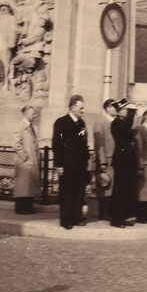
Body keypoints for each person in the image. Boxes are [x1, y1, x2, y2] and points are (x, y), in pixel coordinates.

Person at [52, 95, 90, 230]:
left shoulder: (82, 124)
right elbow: (57, 144)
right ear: (73, 107)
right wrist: (59, 165)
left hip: (80, 165)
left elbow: (84, 142)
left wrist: (86, 162)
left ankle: (76, 217)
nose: (83, 111)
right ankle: (66, 220)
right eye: (81, 108)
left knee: (79, 192)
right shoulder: (61, 122)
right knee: (67, 192)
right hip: (67, 165)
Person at [110, 98, 138, 228]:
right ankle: (116, 219)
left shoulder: (124, 123)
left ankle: (124, 216)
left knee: (127, 190)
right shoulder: (116, 123)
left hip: (128, 160)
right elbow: (127, 126)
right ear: (120, 111)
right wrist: (132, 111)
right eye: (125, 109)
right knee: (120, 191)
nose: (127, 112)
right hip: (121, 161)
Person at [13, 105, 40, 214]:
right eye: (33, 113)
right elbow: (16, 144)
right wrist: (25, 157)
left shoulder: (31, 127)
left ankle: (28, 207)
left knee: (29, 186)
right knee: (23, 187)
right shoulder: (20, 126)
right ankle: (21, 209)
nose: (35, 115)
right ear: (26, 114)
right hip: (24, 163)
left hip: (30, 161)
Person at [93, 98, 116, 221]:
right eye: (114, 107)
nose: (116, 109)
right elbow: (99, 143)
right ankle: (104, 213)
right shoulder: (100, 122)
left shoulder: (116, 122)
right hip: (106, 159)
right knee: (105, 185)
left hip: (115, 159)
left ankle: (111, 211)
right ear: (107, 108)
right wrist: (102, 161)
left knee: (113, 187)